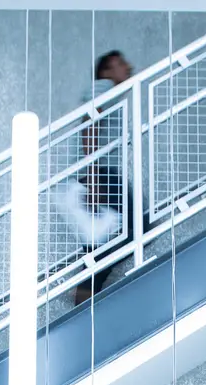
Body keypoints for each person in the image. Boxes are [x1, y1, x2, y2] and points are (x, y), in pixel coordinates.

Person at [73, 51, 149, 306]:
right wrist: (93, 177)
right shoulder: (102, 87)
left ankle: (85, 292)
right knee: (139, 225)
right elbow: (89, 125)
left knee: (121, 233)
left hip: (103, 172)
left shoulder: (110, 92)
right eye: (121, 63)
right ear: (106, 71)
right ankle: (85, 290)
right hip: (101, 173)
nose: (129, 66)